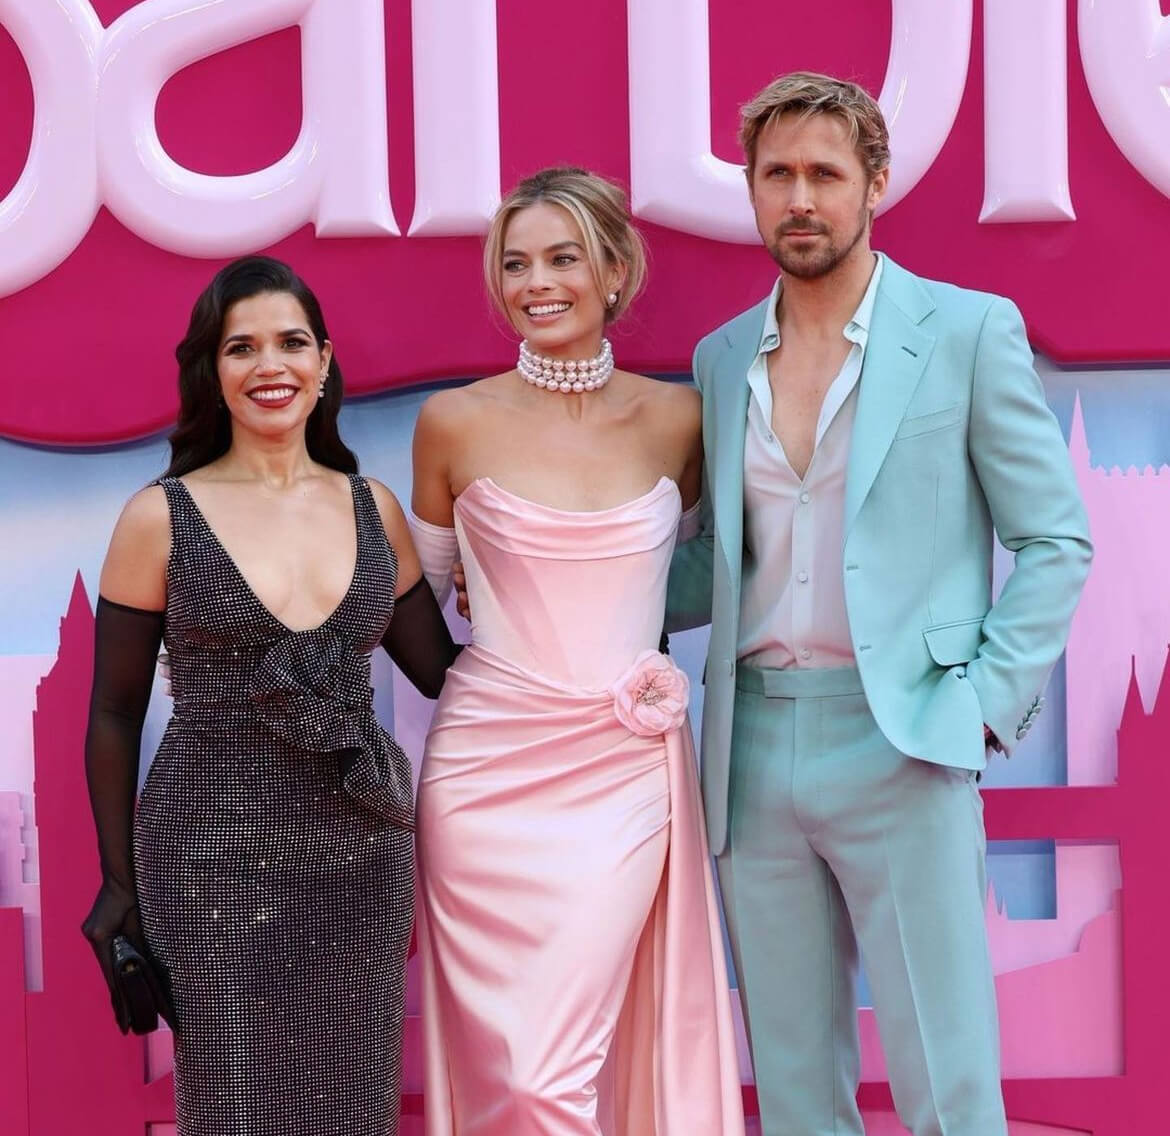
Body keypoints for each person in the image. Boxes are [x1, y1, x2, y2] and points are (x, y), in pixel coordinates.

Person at [665, 73, 1093, 1135]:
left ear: (876, 183)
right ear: (752, 189)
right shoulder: (721, 358)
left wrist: (979, 704)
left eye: (825, 173)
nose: (799, 198)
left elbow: (1055, 539)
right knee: (797, 1096)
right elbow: (718, 560)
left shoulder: (967, 331)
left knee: (948, 1087)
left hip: (904, 736)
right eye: (777, 175)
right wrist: (552, 581)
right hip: (751, 750)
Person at [80, 255, 460, 1136]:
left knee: (353, 1105)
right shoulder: (159, 516)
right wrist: (118, 883)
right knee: (235, 1106)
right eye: (240, 347)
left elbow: (444, 673)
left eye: (291, 342)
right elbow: (113, 712)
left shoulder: (373, 508)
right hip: (208, 861)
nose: (269, 365)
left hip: (362, 858)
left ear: (324, 361)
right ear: (212, 372)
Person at [410, 167, 744, 1135]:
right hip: (483, 780)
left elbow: (687, 574)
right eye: (515, 264)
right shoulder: (453, 422)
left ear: (615, 271)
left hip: (623, 776)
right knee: (513, 1072)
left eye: (562, 258)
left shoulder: (680, 419)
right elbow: (417, 598)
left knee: (553, 1069)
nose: (536, 283)